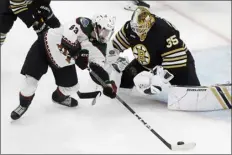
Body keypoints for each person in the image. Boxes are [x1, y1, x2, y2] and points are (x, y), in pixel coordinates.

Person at [10, 14, 118, 120]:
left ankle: (58, 98)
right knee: (30, 84)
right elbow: (65, 40)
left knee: (72, 87)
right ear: (97, 26)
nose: (105, 35)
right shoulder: (84, 23)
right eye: (104, 31)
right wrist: (77, 55)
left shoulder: (101, 48)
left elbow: (97, 68)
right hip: (44, 46)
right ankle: (23, 105)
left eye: (108, 32)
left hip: (63, 61)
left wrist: (106, 83)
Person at [110, 6, 200, 97]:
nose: (137, 32)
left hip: (178, 63)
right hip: (146, 62)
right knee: (123, 82)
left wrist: (160, 79)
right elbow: (114, 47)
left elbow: (176, 59)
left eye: (140, 28)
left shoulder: (164, 30)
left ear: (149, 23)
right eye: (135, 28)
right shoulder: (128, 28)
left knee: (191, 94)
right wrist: (109, 64)